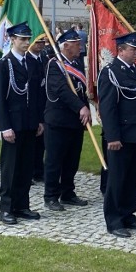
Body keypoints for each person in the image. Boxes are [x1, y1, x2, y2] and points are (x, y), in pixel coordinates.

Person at [99, 32, 136, 238]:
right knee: (118, 179)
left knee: (134, 178)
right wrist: (112, 136)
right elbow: (108, 108)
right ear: (121, 50)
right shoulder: (111, 72)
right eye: (133, 49)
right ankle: (114, 221)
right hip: (121, 136)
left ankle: (128, 215)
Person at [0, 22, 44, 224]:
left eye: (27, 39)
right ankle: (6, 208)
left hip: (30, 123)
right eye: (22, 39)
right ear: (12, 39)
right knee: (10, 169)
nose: (26, 42)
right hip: (13, 124)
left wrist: (39, 120)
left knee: (25, 168)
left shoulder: (32, 63)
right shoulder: (4, 65)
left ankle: (22, 205)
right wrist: (5, 127)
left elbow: (37, 95)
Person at [43, 28, 92, 211]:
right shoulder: (55, 65)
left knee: (72, 160)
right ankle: (51, 195)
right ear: (65, 46)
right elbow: (62, 90)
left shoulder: (77, 63)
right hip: (58, 120)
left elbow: (81, 90)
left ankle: (68, 192)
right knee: (55, 160)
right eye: (77, 44)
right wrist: (81, 107)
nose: (80, 46)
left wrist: (86, 111)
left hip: (75, 121)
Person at [27, 37, 48, 183]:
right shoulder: (27, 59)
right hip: (31, 105)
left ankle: (39, 171)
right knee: (31, 142)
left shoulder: (44, 58)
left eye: (43, 42)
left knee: (41, 142)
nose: (41, 45)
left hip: (43, 104)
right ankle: (30, 171)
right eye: (38, 42)